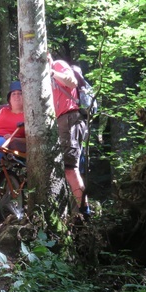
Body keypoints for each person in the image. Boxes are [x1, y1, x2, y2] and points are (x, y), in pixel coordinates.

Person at [48, 53, 92, 221]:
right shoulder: (41, 76)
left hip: (70, 119)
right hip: (61, 122)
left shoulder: (57, 65)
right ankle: (76, 210)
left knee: (70, 167)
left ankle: (84, 211)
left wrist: (52, 71)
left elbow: (71, 81)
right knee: (67, 168)